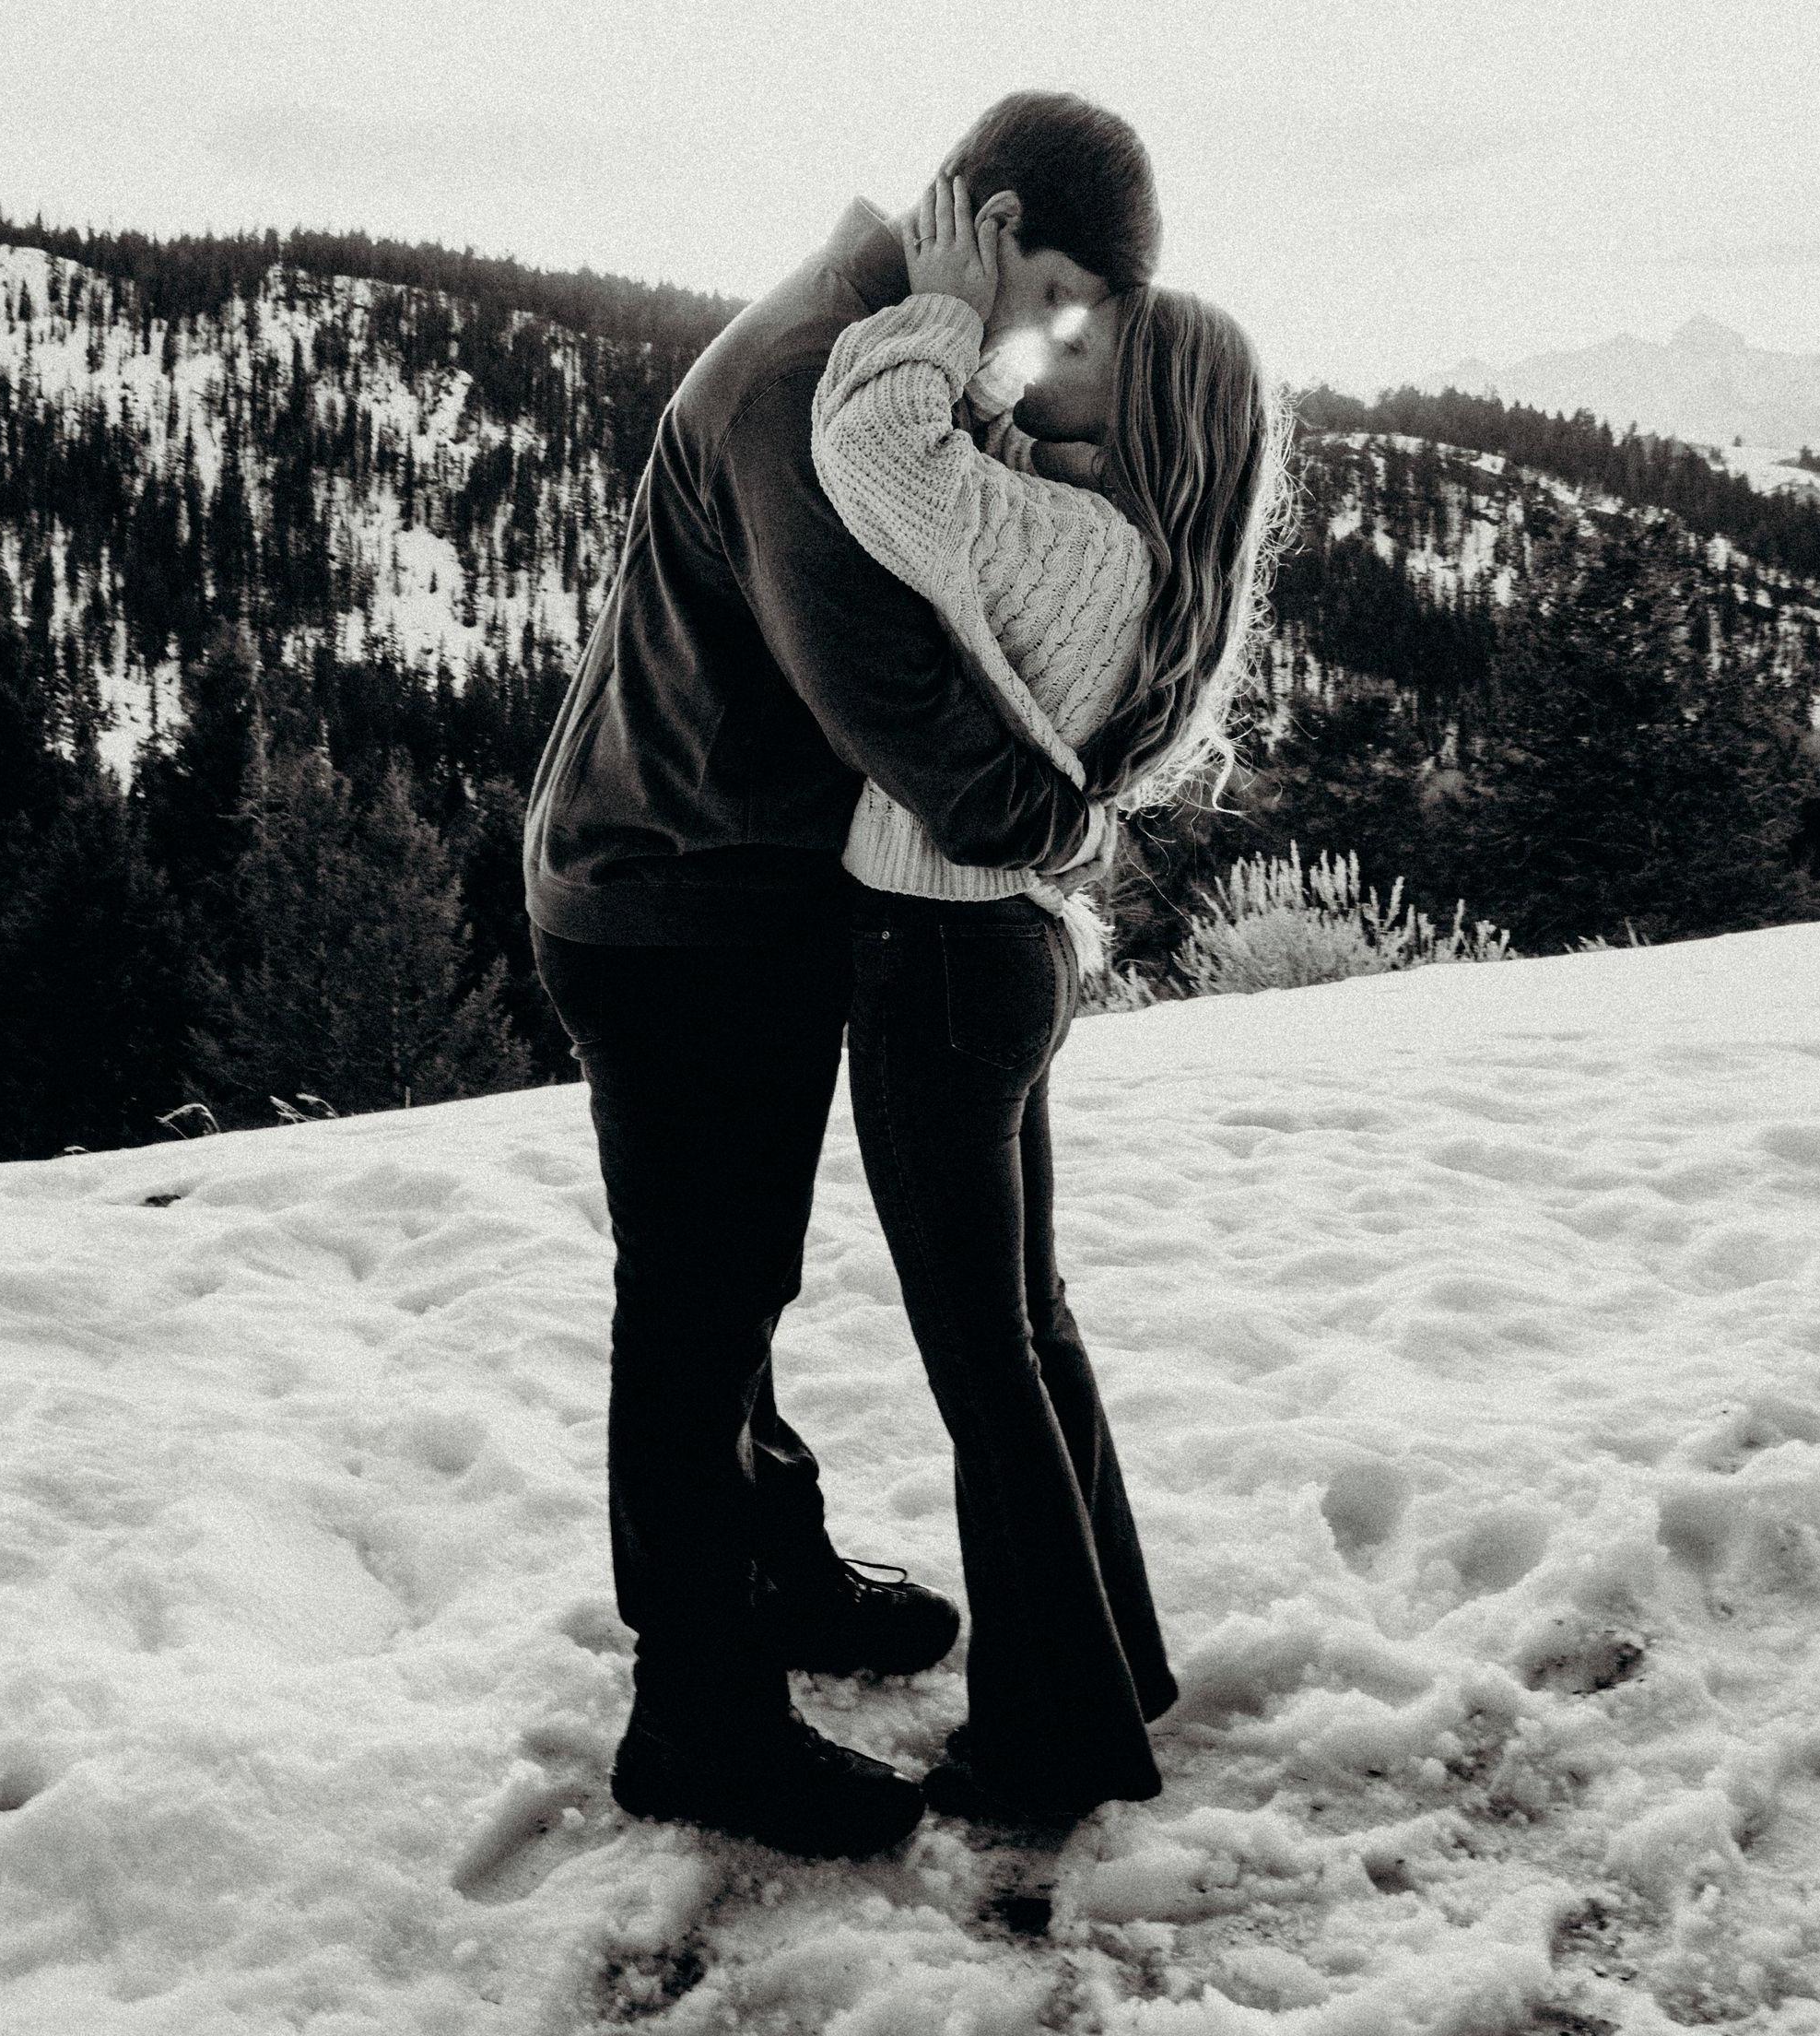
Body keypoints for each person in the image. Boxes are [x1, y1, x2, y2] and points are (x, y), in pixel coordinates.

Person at [524, 93, 1165, 1858]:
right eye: (1059, 299)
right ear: (996, 225)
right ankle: (699, 1718)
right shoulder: (817, 382)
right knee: (698, 1305)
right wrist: (1068, 816)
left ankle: (780, 1574)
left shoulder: (881, 349)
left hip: (719, 881)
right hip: (673, 899)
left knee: (741, 1278)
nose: (1055, 348)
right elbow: (904, 711)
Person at [813, 174, 1281, 1829]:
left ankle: (1055, 1734)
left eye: (1092, 345)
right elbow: (973, 487)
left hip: (937, 960)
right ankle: (1110, 1660)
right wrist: (986, 370)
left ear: (1153, 411)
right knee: (1033, 1332)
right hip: (996, 959)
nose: (1051, 350)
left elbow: (878, 463)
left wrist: (940, 314)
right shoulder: (1124, 549)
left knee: (985, 1369)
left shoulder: (1078, 549)